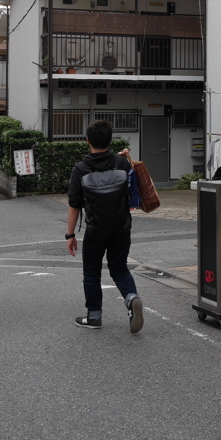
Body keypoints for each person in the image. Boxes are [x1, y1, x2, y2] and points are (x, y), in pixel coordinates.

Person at [66, 119, 144, 333]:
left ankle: (94, 316)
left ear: (87, 141)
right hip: (121, 227)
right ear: (110, 140)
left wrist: (70, 235)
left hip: (95, 230)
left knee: (91, 272)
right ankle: (131, 297)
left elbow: (74, 205)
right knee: (119, 268)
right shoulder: (121, 163)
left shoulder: (80, 169)